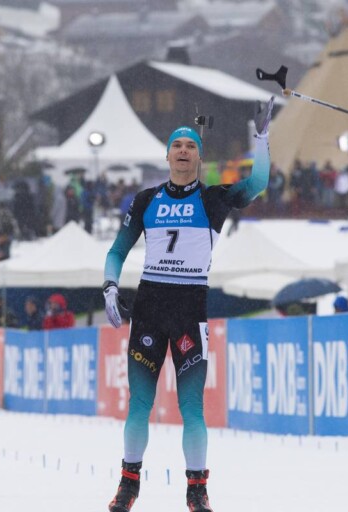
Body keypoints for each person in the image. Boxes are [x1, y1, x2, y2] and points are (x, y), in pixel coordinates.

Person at [101, 96, 274, 512]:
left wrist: (262, 137)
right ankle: (128, 485)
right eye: (176, 145)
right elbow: (117, 250)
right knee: (139, 405)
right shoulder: (146, 200)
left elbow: (258, 183)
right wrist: (109, 285)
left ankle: (197, 490)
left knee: (191, 407)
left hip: (189, 309)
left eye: (190, 145)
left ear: (199, 156)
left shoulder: (214, 199)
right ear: (167, 155)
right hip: (149, 308)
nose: (183, 150)